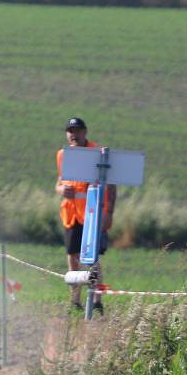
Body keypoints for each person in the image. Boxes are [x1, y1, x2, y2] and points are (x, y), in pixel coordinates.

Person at [55, 117, 115, 314]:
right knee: (73, 258)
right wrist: (61, 189)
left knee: (92, 259)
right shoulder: (62, 155)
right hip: (71, 214)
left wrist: (109, 213)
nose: (74, 134)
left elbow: (112, 185)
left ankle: (97, 300)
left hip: (92, 214)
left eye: (77, 130)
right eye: (70, 130)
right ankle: (75, 301)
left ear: (85, 132)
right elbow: (59, 183)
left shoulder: (98, 153)